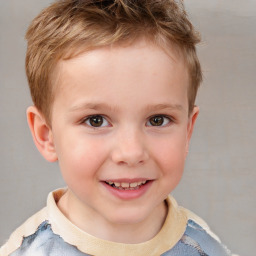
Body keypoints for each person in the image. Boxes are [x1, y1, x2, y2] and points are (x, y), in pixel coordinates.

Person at [0, 0, 236, 255]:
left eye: (157, 120)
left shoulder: (206, 248)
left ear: (187, 132)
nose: (131, 153)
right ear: (47, 135)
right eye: (96, 120)